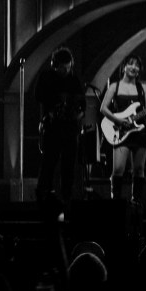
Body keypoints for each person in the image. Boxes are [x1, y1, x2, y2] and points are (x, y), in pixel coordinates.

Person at [34, 45, 85, 206]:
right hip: (53, 126)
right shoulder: (46, 76)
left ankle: (67, 197)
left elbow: (82, 103)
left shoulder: (74, 79)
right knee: (49, 162)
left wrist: (78, 114)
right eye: (63, 68)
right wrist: (50, 110)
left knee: (69, 165)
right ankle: (44, 194)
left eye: (69, 67)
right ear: (55, 65)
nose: (66, 71)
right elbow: (39, 96)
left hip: (70, 128)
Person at [99, 53, 146, 203]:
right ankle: (116, 201)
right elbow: (103, 108)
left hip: (140, 132)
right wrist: (119, 120)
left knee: (139, 169)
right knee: (118, 169)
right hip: (121, 132)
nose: (134, 67)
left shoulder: (143, 88)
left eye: (137, 65)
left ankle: (137, 202)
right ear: (124, 67)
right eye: (131, 64)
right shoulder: (114, 87)